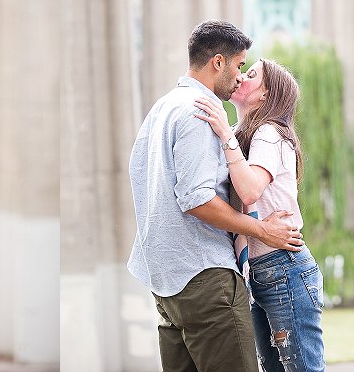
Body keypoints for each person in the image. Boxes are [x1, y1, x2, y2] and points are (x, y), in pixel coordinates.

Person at [127, 20, 304, 372]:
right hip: (205, 279)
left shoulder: (161, 108)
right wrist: (262, 231)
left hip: (165, 283)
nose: (240, 77)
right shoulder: (201, 111)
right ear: (218, 63)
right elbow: (196, 200)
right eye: (239, 66)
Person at [194, 58, 325, 372]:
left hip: (284, 266)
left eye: (251, 75)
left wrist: (224, 133)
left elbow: (251, 190)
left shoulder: (268, 132)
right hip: (259, 270)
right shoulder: (242, 135)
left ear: (266, 95)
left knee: (302, 368)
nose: (240, 77)